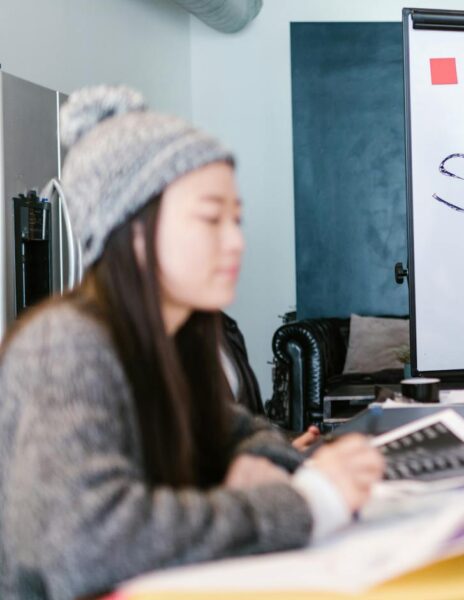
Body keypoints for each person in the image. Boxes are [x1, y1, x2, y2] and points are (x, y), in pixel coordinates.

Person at [0, 86, 385, 600]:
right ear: (133, 232)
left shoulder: (178, 339)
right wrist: (308, 502)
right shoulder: (66, 345)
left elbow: (246, 431)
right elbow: (86, 545)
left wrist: (258, 466)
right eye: (210, 218)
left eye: (236, 219)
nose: (236, 241)